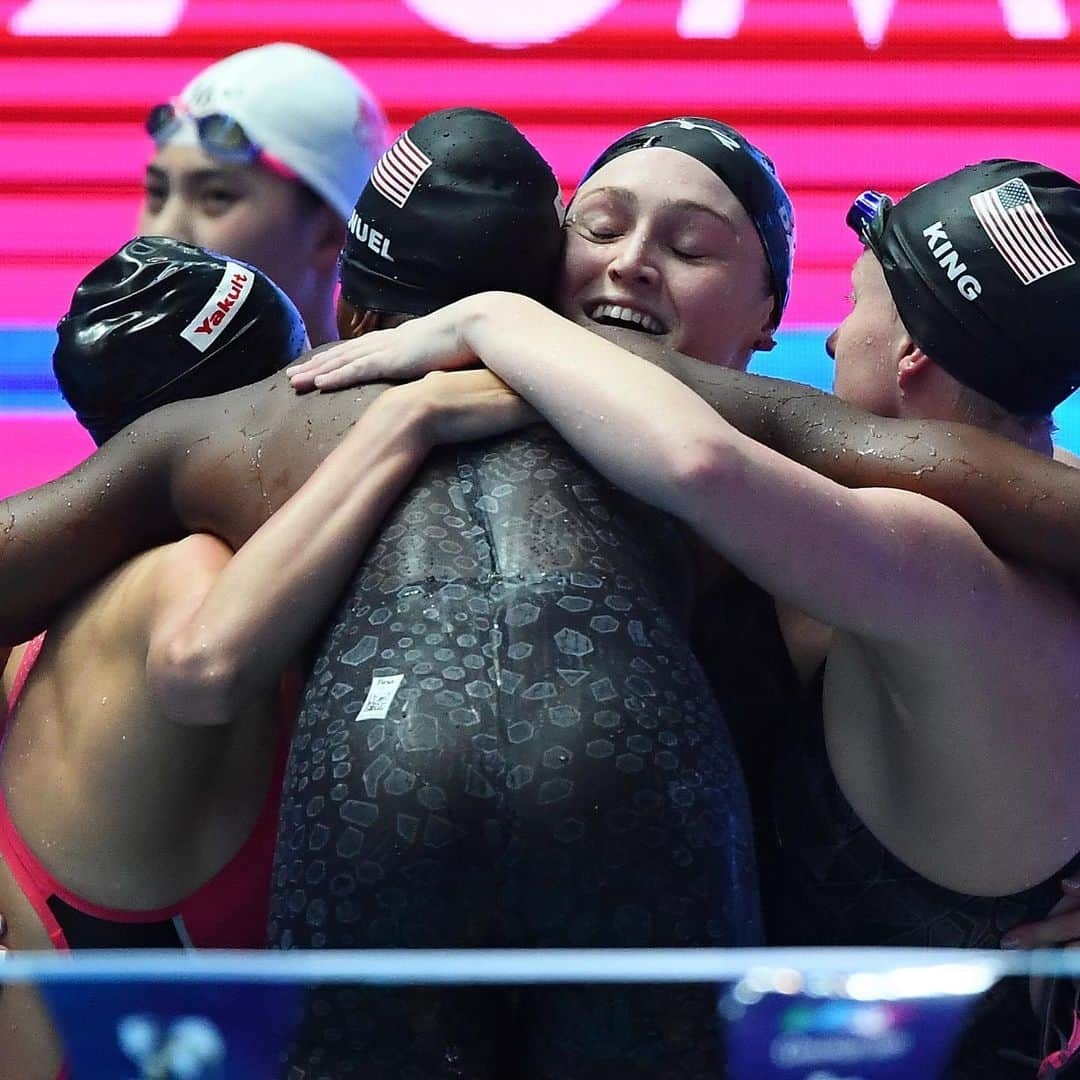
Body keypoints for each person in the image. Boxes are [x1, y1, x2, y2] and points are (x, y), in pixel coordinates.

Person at [297, 157, 1080, 1075]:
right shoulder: (1023, 535)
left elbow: (699, 463)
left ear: (911, 352)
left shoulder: (941, 563)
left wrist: (492, 318)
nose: (831, 345)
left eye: (856, 306)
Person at [0, 235, 531, 1079]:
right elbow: (204, 668)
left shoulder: (49, 615)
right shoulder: (181, 573)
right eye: (306, 381)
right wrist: (407, 420)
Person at [138, 42, 387, 346]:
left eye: (216, 197)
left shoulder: (408, 393)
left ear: (329, 236)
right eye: (157, 193)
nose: (160, 236)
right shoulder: (82, 384)